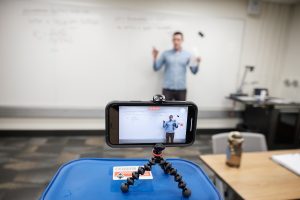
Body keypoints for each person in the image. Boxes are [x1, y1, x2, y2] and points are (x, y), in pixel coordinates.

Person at [152, 31, 201, 101]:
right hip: (167, 89)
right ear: (172, 40)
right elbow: (156, 68)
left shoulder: (188, 55)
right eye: (174, 39)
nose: (176, 42)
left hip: (181, 90)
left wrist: (197, 62)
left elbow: (194, 71)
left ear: (182, 41)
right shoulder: (165, 54)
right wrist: (155, 57)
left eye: (178, 40)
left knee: (181, 111)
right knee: (165, 111)